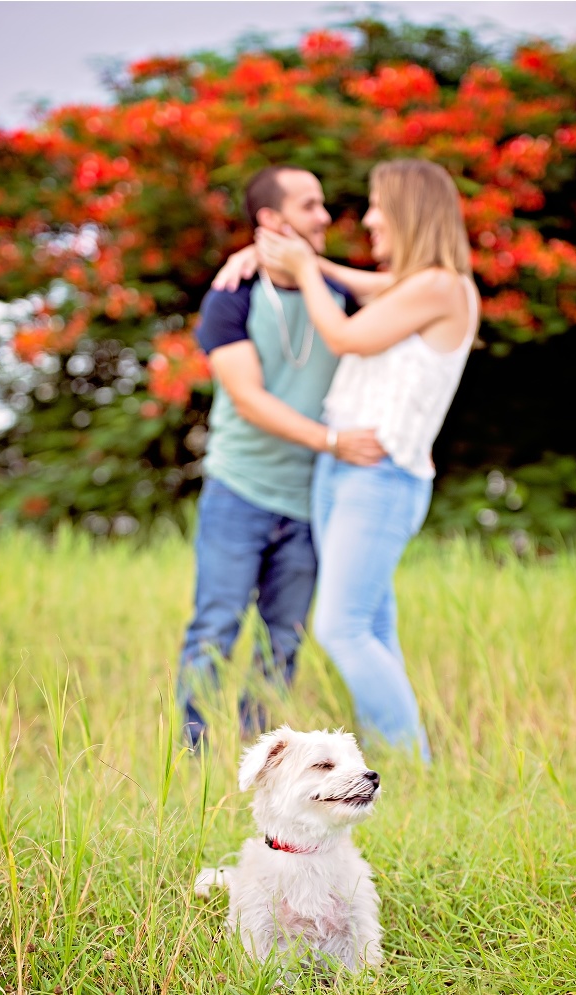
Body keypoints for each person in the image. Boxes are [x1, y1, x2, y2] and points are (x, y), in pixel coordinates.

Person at [245, 159, 481, 759]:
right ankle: (401, 763)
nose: (370, 218)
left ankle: (413, 762)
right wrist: (281, 257)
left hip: (382, 476)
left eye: (378, 205)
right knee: (370, 626)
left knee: (341, 627)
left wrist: (303, 267)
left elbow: (346, 336)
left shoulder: (441, 286)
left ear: (409, 210)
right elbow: (346, 281)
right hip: (346, 468)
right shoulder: (410, 284)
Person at [178, 165, 384, 748]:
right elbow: (248, 399)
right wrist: (333, 441)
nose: (325, 216)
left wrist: (307, 265)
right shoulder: (231, 296)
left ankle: (260, 761)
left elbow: (417, 290)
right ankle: (196, 759)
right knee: (214, 629)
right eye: (310, 205)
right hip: (238, 492)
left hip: (312, 498)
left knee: (284, 640)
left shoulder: (338, 294)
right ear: (272, 219)